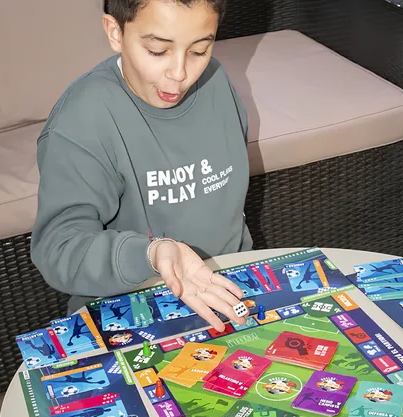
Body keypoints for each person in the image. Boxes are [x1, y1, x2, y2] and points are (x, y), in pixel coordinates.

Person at [30, 0, 253, 331]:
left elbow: (233, 213)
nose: (179, 73)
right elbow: (59, 249)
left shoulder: (216, 80)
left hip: (230, 289)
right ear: (115, 32)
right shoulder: (83, 120)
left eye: (199, 51)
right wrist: (150, 254)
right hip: (128, 311)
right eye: (157, 51)